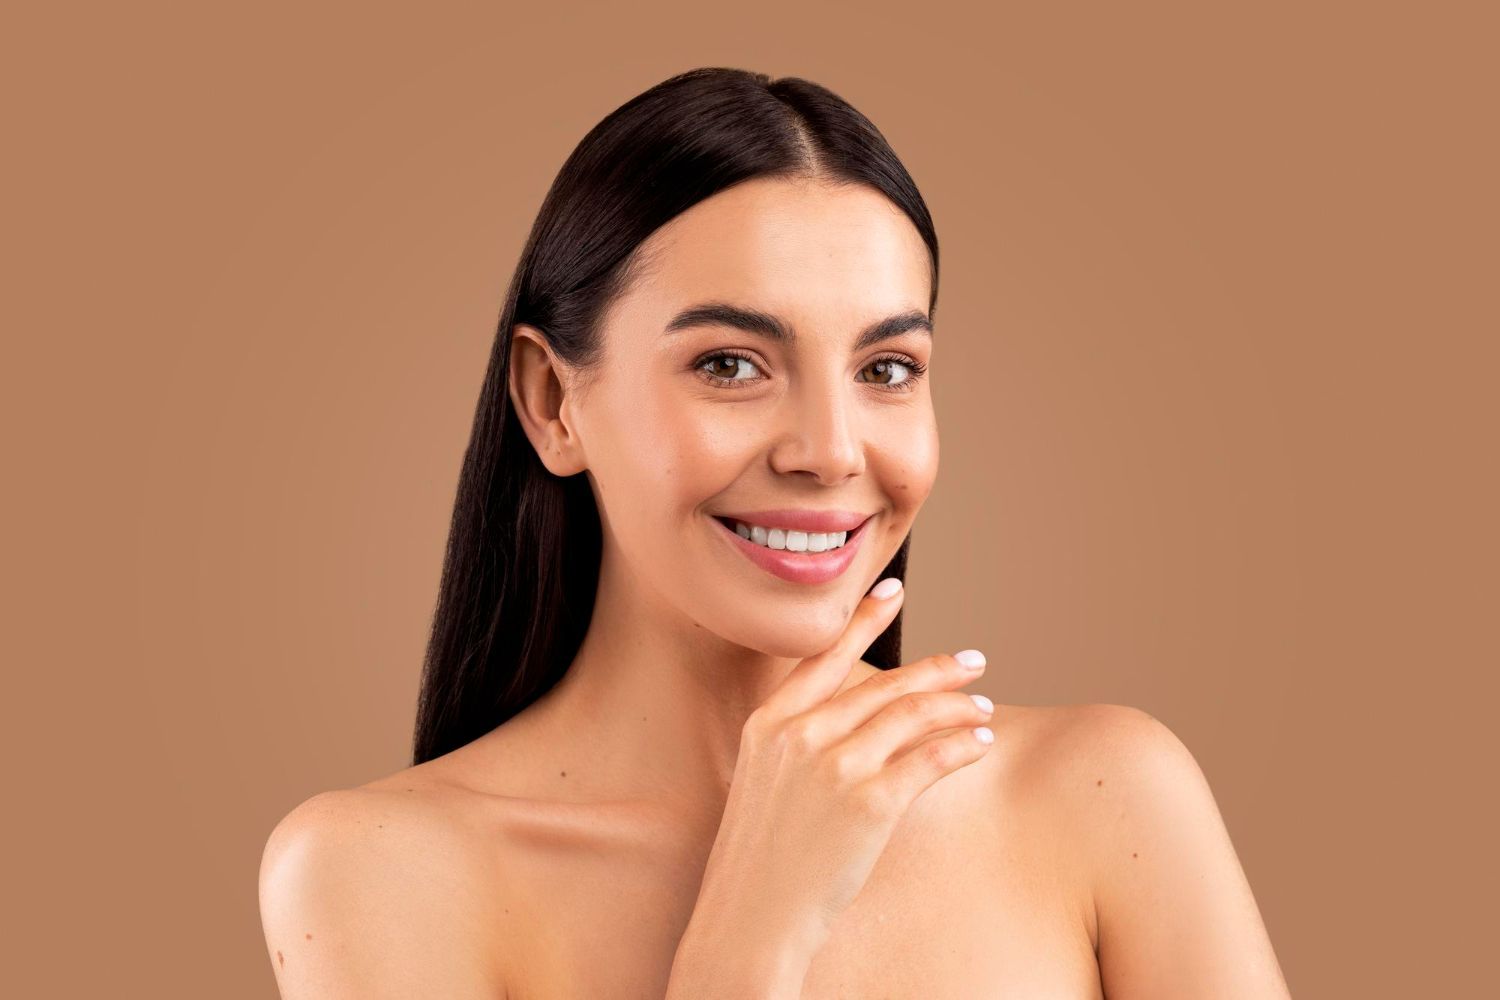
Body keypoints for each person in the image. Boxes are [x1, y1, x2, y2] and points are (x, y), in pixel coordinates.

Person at [259, 67, 1290, 998]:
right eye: (730, 364)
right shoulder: (376, 870)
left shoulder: (1103, 794)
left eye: (886, 370)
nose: (831, 452)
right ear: (552, 401)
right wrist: (749, 938)